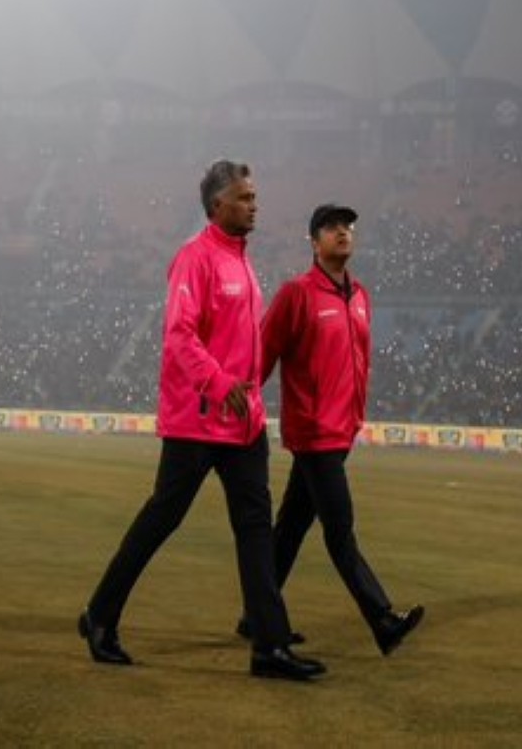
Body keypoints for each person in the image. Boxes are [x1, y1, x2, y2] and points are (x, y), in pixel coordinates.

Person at [78, 160, 325, 683]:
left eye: (254, 196)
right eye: (244, 197)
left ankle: (270, 647)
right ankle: (100, 616)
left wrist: (253, 403)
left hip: (243, 424)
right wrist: (219, 385)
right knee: (161, 520)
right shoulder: (195, 258)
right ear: (217, 205)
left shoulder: (241, 262)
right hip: (197, 421)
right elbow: (179, 336)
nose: (254, 204)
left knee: (257, 531)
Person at [243, 202, 424, 656]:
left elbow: (360, 363)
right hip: (314, 433)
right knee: (339, 529)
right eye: (330, 227)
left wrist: (356, 417)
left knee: (289, 529)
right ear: (314, 241)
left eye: (347, 226)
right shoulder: (297, 294)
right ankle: (382, 619)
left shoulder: (360, 296)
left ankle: (255, 615)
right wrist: (239, 403)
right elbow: (262, 355)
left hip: (342, 431)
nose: (342, 232)